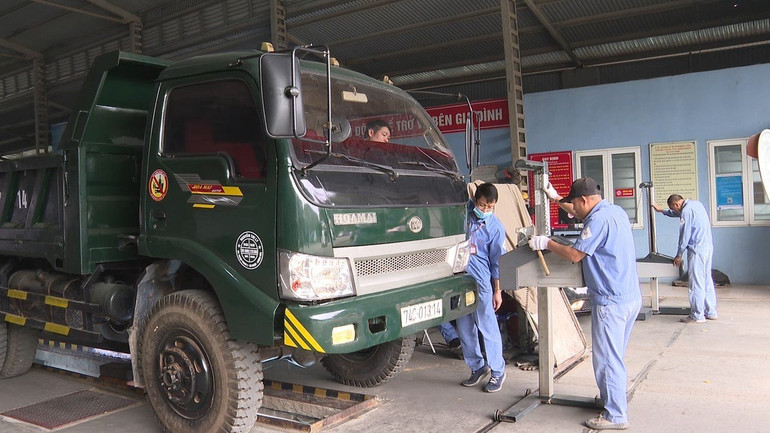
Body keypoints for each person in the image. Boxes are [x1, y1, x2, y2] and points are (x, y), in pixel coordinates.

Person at [531, 177, 641, 431]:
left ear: (584, 200)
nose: (574, 213)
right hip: (629, 296)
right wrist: (555, 197)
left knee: (607, 359)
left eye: (575, 205)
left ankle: (615, 415)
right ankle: (610, 398)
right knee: (615, 355)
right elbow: (578, 210)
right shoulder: (613, 211)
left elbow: (575, 254)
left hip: (610, 300)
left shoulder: (597, 220)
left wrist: (546, 243)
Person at [456, 183, 507, 393]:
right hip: (459, 279)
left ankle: (498, 371)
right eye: (482, 205)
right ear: (474, 201)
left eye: (490, 206)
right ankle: (477, 367)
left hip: (482, 281)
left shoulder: (495, 228)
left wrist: (498, 291)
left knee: (487, 326)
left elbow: (497, 263)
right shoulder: (465, 212)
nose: (485, 210)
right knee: (465, 327)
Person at [652, 194, 717, 323]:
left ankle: (697, 315)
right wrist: (661, 211)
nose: (675, 211)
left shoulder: (686, 211)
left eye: (674, 209)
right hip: (707, 248)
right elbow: (678, 214)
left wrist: (679, 254)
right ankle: (711, 312)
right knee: (706, 280)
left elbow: (684, 235)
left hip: (697, 250)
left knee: (696, 282)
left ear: (676, 205)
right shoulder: (696, 204)